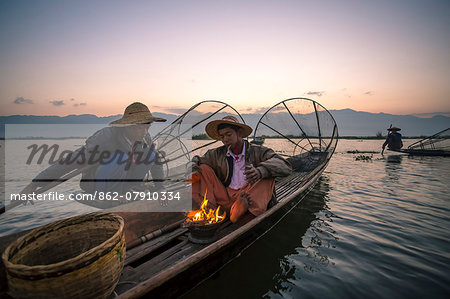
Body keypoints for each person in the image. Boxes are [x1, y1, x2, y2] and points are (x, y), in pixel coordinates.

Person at [21, 102, 166, 196]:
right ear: (127, 126)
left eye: (148, 126)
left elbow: (156, 162)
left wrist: (160, 188)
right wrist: (35, 183)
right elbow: (71, 161)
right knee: (120, 157)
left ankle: (126, 189)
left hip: (123, 181)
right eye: (140, 127)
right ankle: (111, 194)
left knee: (150, 155)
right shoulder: (106, 137)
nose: (145, 131)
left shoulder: (144, 138)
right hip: (98, 183)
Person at [190, 116, 292, 223]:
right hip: (226, 197)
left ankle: (243, 212)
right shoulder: (216, 154)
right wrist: (191, 169)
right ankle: (212, 210)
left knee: (267, 176)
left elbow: (285, 165)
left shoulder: (257, 151)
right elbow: (197, 160)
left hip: (248, 196)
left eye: (228, 135)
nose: (225, 140)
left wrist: (260, 171)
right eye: (222, 136)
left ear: (239, 133)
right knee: (202, 169)